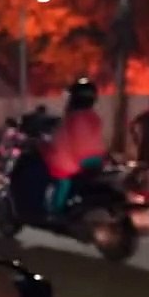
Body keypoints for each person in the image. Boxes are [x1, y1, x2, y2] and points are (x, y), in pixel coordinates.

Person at [41, 78, 106, 215]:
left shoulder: (71, 118)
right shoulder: (94, 117)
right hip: (97, 160)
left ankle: (56, 211)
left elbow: (60, 142)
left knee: (62, 179)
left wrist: (44, 147)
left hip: (76, 161)